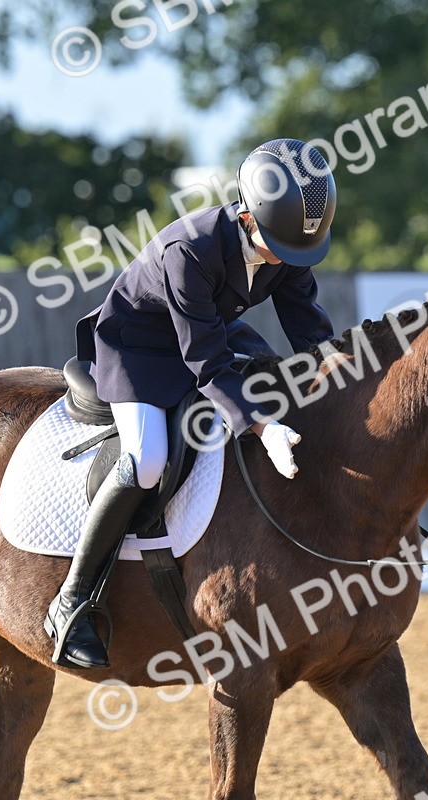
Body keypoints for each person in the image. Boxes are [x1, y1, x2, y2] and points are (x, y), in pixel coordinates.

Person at [45, 138, 337, 669]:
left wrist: (338, 368)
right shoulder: (191, 250)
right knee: (148, 457)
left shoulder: (289, 242)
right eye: (278, 247)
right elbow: (204, 361)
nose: (285, 260)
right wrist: (261, 427)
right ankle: (71, 601)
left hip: (211, 331)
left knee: (279, 379)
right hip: (139, 348)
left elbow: (307, 323)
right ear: (248, 215)